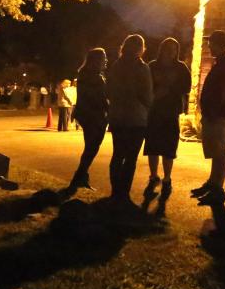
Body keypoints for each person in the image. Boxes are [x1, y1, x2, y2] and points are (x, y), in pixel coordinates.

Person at [191, 30, 225, 206]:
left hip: (219, 114)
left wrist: (212, 113)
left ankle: (217, 189)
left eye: (210, 43)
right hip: (216, 113)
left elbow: (221, 92)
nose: (208, 47)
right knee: (217, 151)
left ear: (218, 44)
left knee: (220, 151)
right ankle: (213, 183)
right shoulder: (223, 63)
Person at [142, 37, 192, 199]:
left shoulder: (181, 67)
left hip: (171, 112)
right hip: (155, 111)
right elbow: (145, 85)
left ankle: (167, 177)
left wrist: (169, 88)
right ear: (162, 49)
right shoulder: (152, 66)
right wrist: (156, 92)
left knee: (169, 147)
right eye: (168, 48)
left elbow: (186, 87)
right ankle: (153, 175)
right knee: (153, 145)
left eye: (174, 49)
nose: (170, 52)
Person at [106, 34, 153, 205]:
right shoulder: (142, 68)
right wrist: (149, 106)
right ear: (141, 48)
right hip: (136, 118)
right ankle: (123, 193)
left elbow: (108, 90)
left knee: (118, 154)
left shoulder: (116, 66)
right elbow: (147, 95)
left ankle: (115, 191)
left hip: (118, 116)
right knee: (131, 157)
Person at [69, 48, 108, 190]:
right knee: (92, 147)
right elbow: (96, 97)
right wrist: (108, 107)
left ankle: (81, 176)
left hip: (91, 115)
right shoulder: (91, 76)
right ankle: (79, 176)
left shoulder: (89, 74)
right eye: (103, 57)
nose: (106, 60)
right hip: (93, 115)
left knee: (91, 147)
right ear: (96, 59)